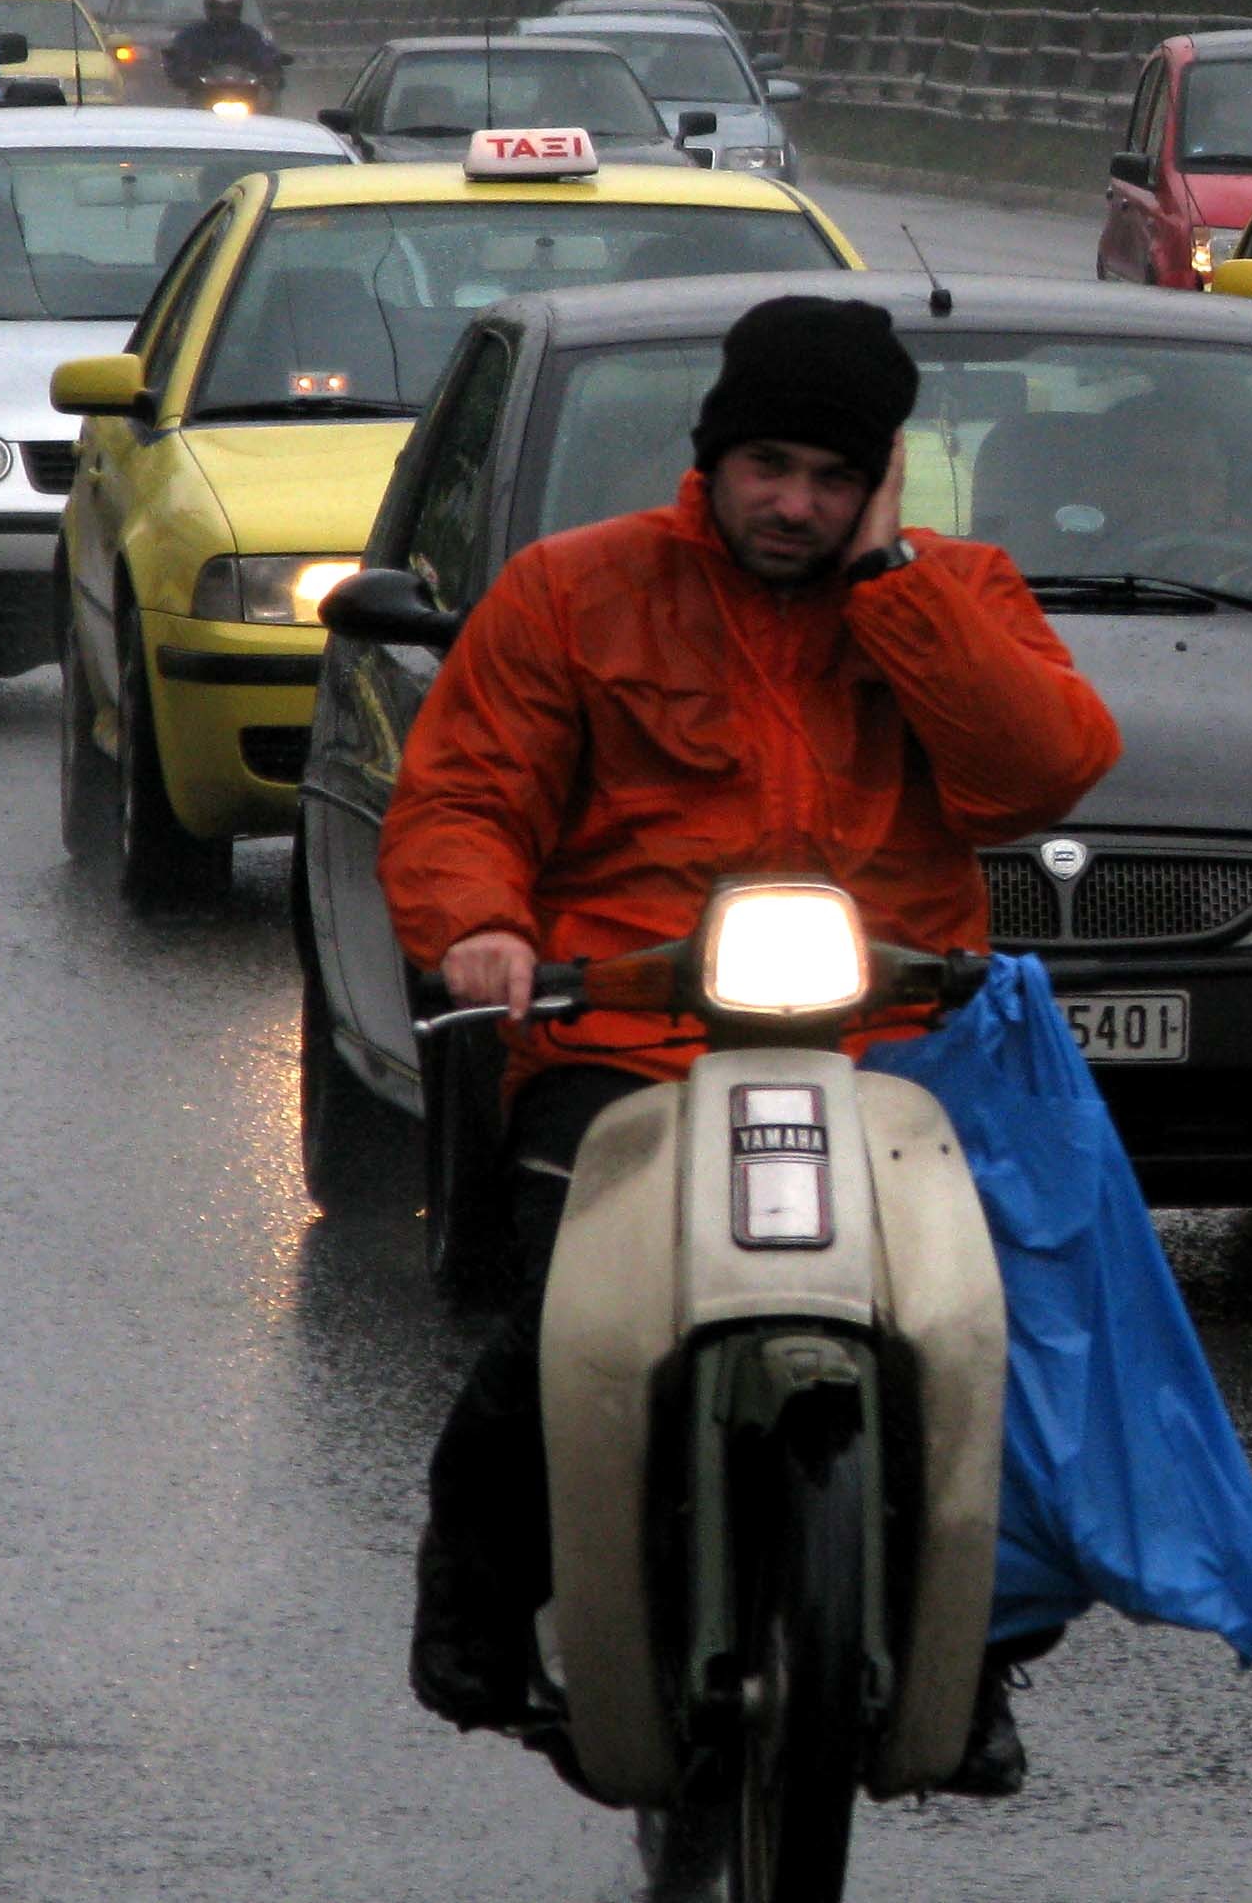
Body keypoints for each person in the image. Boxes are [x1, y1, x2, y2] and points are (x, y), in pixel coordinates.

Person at [379, 295, 1120, 1793]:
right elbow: (464, 794)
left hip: (892, 1050)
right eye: (769, 464)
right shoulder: (569, 591)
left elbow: (1041, 771)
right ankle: (472, 1588)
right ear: (711, 454)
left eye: (835, 477)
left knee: (1002, 1332)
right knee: (564, 1326)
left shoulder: (954, 591)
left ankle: (973, 1651)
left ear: (883, 485)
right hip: (630, 1041)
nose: (796, 502)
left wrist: (898, 587)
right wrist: (483, 923)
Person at [158, 0, 283, 104]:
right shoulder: (192, 35)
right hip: (202, 97)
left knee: (269, 109)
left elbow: (265, 55)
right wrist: (183, 74)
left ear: (238, 8)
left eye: (230, 8)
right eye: (217, 8)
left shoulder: (251, 36)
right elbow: (177, 56)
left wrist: (272, 70)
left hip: (246, 98)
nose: (223, 13)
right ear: (208, 7)